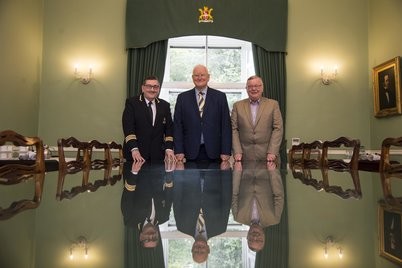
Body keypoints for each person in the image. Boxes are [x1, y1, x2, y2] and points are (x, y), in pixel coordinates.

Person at [173, 64, 232, 162]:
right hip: (189, 152)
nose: (199, 78)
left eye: (202, 75)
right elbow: (178, 126)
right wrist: (179, 150)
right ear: (192, 78)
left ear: (208, 77)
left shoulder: (220, 97)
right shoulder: (182, 98)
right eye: (196, 75)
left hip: (215, 152)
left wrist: (226, 151)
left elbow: (226, 126)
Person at [232, 161, 284, 252]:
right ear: (264, 237)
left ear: (247, 237)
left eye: (252, 240)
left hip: (245, 167)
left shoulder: (237, 217)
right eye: (259, 240)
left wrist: (237, 172)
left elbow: (234, 194)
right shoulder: (274, 219)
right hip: (267, 167)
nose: (255, 236)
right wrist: (273, 171)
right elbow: (278, 195)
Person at [122, 76, 175, 162]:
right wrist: (134, 149)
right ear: (143, 88)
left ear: (158, 89)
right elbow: (128, 129)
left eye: (155, 87)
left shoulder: (165, 105)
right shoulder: (132, 103)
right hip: (135, 156)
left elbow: (169, 130)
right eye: (149, 86)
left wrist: (168, 148)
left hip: (158, 156)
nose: (152, 89)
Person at [231, 75, 283, 162]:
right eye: (250, 86)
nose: (253, 89)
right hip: (243, 157)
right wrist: (237, 151)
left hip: (269, 156)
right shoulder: (237, 106)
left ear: (262, 88)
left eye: (257, 86)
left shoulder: (273, 104)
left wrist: (272, 151)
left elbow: (278, 128)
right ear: (246, 89)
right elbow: (233, 129)